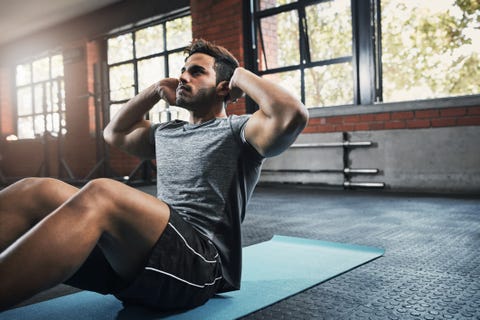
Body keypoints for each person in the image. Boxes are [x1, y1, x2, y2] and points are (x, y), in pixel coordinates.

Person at [0, 39, 308, 311]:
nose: (183, 77)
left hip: (199, 265)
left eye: (197, 72)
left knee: (102, 193)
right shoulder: (167, 132)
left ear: (223, 87)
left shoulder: (239, 131)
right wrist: (154, 91)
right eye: (183, 70)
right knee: (34, 190)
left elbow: (292, 114)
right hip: (147, 259)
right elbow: (114, 132)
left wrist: (237, 73)